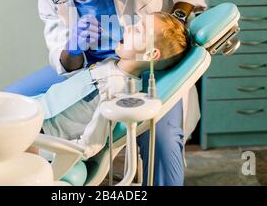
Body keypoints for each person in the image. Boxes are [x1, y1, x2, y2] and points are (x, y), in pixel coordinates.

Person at [8, 0, 207, 185]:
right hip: (88, 71)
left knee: (162, 141)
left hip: (144, 73)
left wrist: (175, 19)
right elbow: (63, 59)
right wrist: (73, 48)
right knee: (9, 102)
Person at [31, 12, 188, 165]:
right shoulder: (111, 64)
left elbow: (90, 145)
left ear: (150, 55)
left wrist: (39, 151)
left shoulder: (117, 90)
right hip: (36, 113)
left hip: (41, 136)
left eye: (139, 29)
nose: (128, 27)